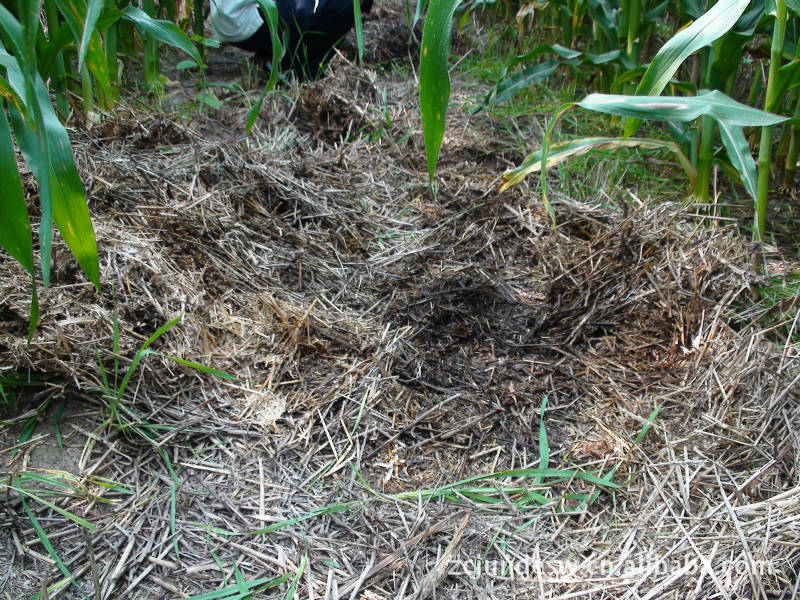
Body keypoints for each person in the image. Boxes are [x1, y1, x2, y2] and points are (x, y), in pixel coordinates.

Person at [209, 0, 372, 79]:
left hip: (228, 17)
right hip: (249, 19)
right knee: (345, 4)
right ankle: (291, 68)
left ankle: (273, 55)